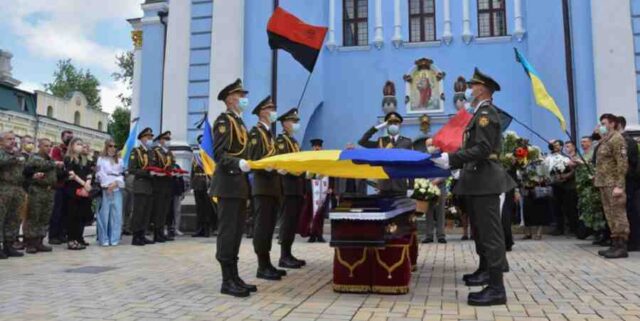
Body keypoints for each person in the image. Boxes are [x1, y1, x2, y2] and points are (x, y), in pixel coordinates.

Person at [432, 68, 515, 306]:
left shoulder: (486, 114)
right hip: (479, 181)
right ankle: (488, 275)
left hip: (487, 180)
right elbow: (474, 147)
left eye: (473, 85)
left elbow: (483, 149)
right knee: (482, 231)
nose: (469, 89)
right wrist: (451, 156)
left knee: (491, 235)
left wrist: (452, 159)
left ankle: (497, 288)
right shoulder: (479, 114)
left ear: (482, 89)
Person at [210, 78, 255, 297]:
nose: (245, 99)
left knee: (237, 232)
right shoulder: (224, 121)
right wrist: (238, 163)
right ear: (230, 99)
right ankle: (226, 280)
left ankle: (235, 276)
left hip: (239, 185)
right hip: (228, 184)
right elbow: (220, 154)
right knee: (228, 232)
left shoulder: (240, 122)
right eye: (241, 95)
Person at [247, 96, 288, 281]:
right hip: (263, 186)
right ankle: (262, 266)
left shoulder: (269, 133)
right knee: (262, 227)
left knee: (270, 226)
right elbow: (256, 158)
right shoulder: (256, 133)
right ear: (262, 112)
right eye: (271, 108)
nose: (273, 111)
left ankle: (268, 263)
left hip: (273, 187)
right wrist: (270, 167)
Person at [275, 107, 308, 270]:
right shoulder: (281, 141)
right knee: (287, 221)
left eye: (297, 121)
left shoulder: (294, 141)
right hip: (287, 186)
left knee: (293, 221)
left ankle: (288, 253)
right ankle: (284, 255)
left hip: (296, 186)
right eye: (293, 121)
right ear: (285, 123)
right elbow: (284, 162)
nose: (296, 124)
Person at [594, 114, 630, 258]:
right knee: (610, 214)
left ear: (612, 124)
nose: (601, 126)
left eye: (604, 123)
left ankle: (621, 246)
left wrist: (620, 185)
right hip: (604, 183)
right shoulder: (606, 140)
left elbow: (622, 163)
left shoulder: (617, 139)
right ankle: (614, 243)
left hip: (613, 184)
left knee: (618, 214)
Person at [358, 112, 413, 196]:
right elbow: (362, 142)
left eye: (395, 123)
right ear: (386, 125)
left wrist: (411, 186)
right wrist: (376, 128)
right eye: (390, 123)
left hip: (400, 185)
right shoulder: (381, 141)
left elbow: (411, 165)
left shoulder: (406, 142)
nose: (393, 125)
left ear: (400, 125)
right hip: (383, 185)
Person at [22, 138, 62, 253]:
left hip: (49, 191)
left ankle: (39, 240)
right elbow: (40, 165)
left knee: (45, 216)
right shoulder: (34, 157)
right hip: (37, 190)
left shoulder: (50, 159)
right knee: (34, 215)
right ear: (39, 146)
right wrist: (55, 164)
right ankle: (30, 242)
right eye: (45, 146)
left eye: (50, 146)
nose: (48, 148)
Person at [0, 132, 27, 259]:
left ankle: (9, 245)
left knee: (14, 218)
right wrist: (15, 158)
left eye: (13, 139)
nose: (12, 141)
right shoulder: (2, 153)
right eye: (9, 139)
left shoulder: (17, 154)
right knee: (1, 218)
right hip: (3, 188)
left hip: (18, 188)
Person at [63, 138, 93, 250]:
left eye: (82, 144)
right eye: (78, 144)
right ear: (72, 146)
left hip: (84, 190)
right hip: (73, 189)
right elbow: (71, 174)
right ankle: (71, 240)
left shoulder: (84, 159)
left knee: (81, 215)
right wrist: (84, 184)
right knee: (72, 216)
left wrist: (88, 183)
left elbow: (89, 172)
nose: (81, 146)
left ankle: (79, 238)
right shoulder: (69, 158)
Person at [128, 127, 155, 246]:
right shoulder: (136, 151)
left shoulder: (150, 152)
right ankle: (136, 237)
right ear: (142, 138)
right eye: (147, 137)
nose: (149, 139)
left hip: (149, 185)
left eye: (150, 137)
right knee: (138, 212)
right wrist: (148, 173)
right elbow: (132, 169)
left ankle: (142, 235)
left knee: (146, 212)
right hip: (140, 184)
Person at [617, 116, 640, 251]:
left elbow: (630, 164)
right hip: (626, 181)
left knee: (631, 212)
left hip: (630, 182)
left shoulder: (628, 142)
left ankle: (634, 242)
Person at [544, 140, 577, 235]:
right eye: (553, 145)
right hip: (555, 185)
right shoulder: (549, 157)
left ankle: (572, 228)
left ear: (561, 146)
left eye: (557, 145)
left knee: (569, 207)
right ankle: (559, 228)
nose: (555, 147)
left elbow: (573, 170)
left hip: (566, 186)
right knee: (556, 207)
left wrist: (564, 176)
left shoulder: (565, 158)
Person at [96, 139, 125, 246]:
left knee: (116, 214)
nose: (113, 148)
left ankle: (114, 238)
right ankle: (104, 239)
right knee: (104, 214)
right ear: (106, 147)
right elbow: (99, 173)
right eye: (110, 146)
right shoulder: (101, 159)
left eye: (114, 146)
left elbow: (122, 173)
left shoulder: (120, 160)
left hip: (116, 187)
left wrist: (116, 183)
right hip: (105, 188)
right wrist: (107, 185)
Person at [149, 131, 175, 242]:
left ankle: (161, 232)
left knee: (165, 209)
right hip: (158, 182)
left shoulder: (169, 153)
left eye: (169, 139)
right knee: (158, 209)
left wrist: (174, 172)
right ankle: (156, 233)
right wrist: (160, 172)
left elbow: (172, 165)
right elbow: (153, 165)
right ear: (161, 140)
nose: (168, 141)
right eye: (166, 139)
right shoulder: (155, 152)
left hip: (168, 182)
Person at [48, 130, 73, 245]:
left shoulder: (71, 150)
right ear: (62, 137)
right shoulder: (58, 149)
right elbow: (55, 163)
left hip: (68, 184)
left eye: (71, 137)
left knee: (66, 211)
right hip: (58, 184)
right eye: (67, 137)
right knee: (56, 211)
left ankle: (62, 234)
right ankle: (53, 235)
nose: (69, 138)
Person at [191, 135, 217, 237]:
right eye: (200, 142)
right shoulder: (196, 156)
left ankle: (207, 230)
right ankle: (199, 229)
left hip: (207, 183)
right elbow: (193, 171)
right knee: (199, 208)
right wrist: (192, 186)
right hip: (198, 184)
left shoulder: (210, 156)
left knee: (207, 208)